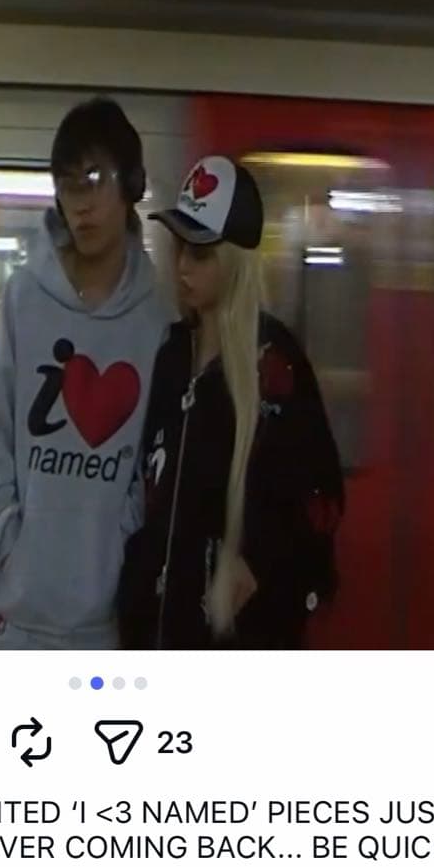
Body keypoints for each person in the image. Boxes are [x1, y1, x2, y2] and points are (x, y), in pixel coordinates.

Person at [0, 97, 171, 649]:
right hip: (11, 627)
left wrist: (117, 550)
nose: (81, 203)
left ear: (132, 184)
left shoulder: (159, 320)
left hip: (101, 630)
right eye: (67, 184)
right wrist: (2, 543)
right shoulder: (25, 296)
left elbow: (153, 463)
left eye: (95, 179)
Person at [118, 156, 343, 649]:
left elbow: (319, 500)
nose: (182, 266)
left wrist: (257, 562)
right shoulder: (171, 354)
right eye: (180, 247)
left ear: (235, 260)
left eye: (200, 253)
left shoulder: (276, 367)